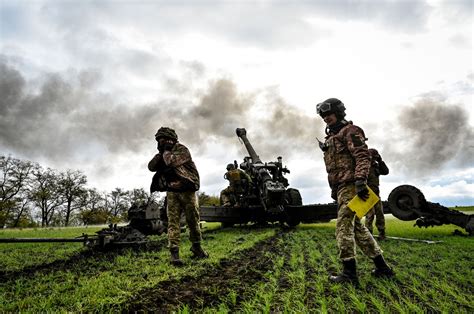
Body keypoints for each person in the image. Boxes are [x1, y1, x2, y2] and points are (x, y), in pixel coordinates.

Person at [316, 98, 394, 284]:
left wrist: (360, 181)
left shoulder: (350, 131)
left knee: (343, 226)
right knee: (358, 229)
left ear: (339, 112)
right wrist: (335, 190)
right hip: (343, 188)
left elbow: (362, 156)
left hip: (353, 185)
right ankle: (383, 268)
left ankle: (349, 274)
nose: (326, 118)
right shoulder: (332, 138)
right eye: (323, 116)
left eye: (329, 114)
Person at [148, 127, 208, 266]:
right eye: (159, 140)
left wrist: (167, 151)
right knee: (173, 223)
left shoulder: (182, 150)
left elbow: (171, 162)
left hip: (187, 190)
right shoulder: (163, 154)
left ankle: (197, 247)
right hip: (172, 192)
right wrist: (160, 153)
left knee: (193, 220)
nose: (161, 142)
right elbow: (151, 167)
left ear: (171, 139)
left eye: (163, 139)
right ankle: (174, 254)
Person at [365, 148, 389, 239]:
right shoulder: (364, 166)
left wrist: (381, 161)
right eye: (373, 158)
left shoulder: (376, 166)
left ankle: (382, 234)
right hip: (367, 194)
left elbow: (386, 171)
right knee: (370, 215)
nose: (374, 159)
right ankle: (368, 235)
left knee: (380, 214)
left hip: (376, 194)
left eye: (375, 158)